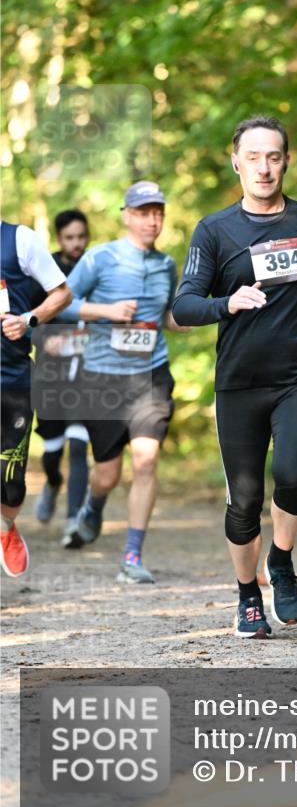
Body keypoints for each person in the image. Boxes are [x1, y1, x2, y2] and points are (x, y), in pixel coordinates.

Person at [173, 115, 297, 638]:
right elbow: (184, 306)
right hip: (240, 384)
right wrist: (226, 303)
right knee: (245, 500)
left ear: (287, 161)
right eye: (252, 157)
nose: (263, 167)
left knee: (295, 478)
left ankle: (281, 559)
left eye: (273, 156)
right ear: (236, 163)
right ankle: (247, 594)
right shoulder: (214, 230)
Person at [57, 181, 191, 584]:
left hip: (151, 374)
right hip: (103, 378)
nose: (153, 220)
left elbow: (167, 316)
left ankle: (132, 555)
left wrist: (203, 314)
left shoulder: (166, 265)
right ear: (127, 215)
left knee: (146, 461)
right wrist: (106, 310)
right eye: (144, 212)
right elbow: (60, 305)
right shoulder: (100, 257)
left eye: (158, 213)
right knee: (108, 474)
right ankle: (93, 507)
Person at [1, 220, 73, 577]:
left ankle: (6, 528)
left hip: (13, 379)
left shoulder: (20, 240)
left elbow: (62, 294)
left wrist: (29, 318)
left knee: (10, 483)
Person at [31, 209, 91, 547]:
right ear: (58, 239)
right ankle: (53, 484)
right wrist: (45, 340)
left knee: (80, 446)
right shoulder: (43, 272)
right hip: (50, 377)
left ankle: (74, 523)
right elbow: (26, 319)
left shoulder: (95, 266)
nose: (77, 244)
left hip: (85, 375)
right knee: (53, 453)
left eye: (81, 236)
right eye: (70, 238)